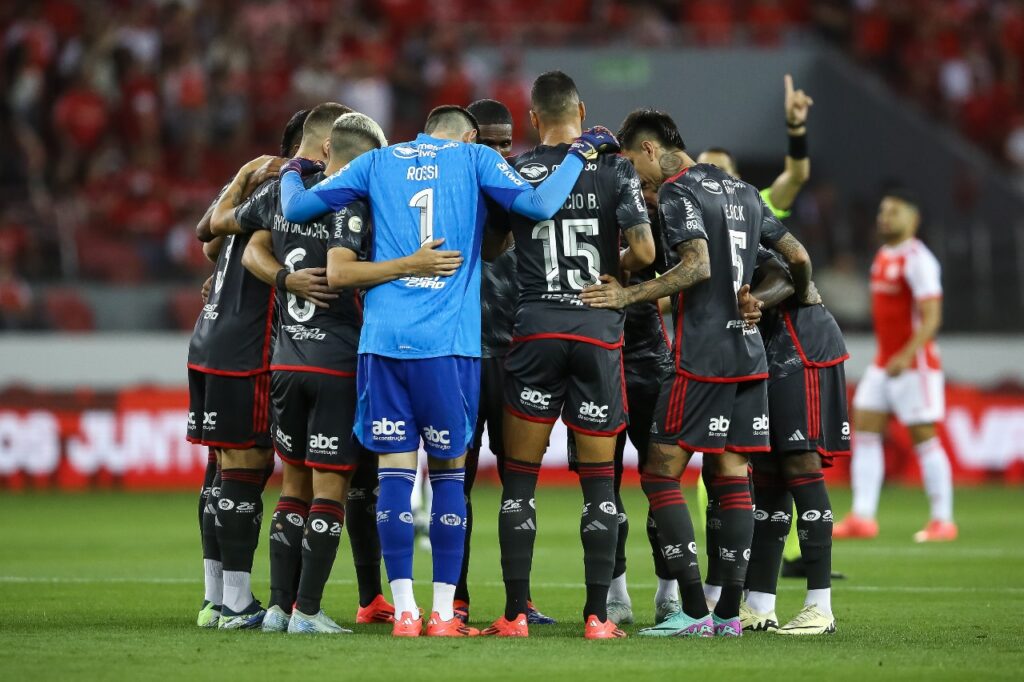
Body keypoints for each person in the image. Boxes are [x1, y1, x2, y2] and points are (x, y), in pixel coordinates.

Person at [278, 103, 618, 637]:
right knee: (447, 477)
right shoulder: (475, 158)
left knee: (394, 474)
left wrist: (292, 170)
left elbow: (296, 211)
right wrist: (579, 153)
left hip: (384, 342)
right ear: (470, 135)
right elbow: (539, 203)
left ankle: (405, 613)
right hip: (447, 347)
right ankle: (442, 615)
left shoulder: (378, 161)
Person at [581, 108, 814, 638]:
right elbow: (797, 257)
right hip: (749, 357)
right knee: (731, 475)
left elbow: (697, 266)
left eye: (638, 175)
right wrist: (770, 299)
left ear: (647, 150)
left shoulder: (682, 191)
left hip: (700, 356)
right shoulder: (744, 191)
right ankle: (728, 616)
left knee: (660, 472)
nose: (640, 187)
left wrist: (628, 293)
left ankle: (690, 608)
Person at [480, 71, 655, 640]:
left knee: (521, 482)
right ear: (582, 109)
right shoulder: (617, 169)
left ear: (533, 119)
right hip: (598, 330)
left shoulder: (516, 170)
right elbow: (647, 251)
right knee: (601, 483)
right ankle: (600, 618)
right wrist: (612, 262)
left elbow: (492, 247)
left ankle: (513, 616)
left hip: (534, 331)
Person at [235, 107, 415, 633]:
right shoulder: (358, 205)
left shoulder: (285, 192)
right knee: (330, 492)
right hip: (337, 363)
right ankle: (308, 613)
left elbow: (242, 240)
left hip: (287, 359)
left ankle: (276, 607)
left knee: (291, 488)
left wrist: (283, 278)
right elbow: (353, 272)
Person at [188, 108, 309, 630]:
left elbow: (209, 241)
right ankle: (236, 604)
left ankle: (215, 597)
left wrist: (238, 178)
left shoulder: (250, 181)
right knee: (246, 469)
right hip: (249, 344)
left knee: (220, 471)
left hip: (208, 338)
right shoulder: (291, 189)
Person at [452, 98, 556, 626]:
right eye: (487, 141)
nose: (498, 151)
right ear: (468, 141)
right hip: (464, 357)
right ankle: (458, 597)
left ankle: (522, 600)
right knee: (457, 481)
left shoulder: (527, 195)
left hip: (519, 357)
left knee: (520, 483)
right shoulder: (450, 193)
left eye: (504, 142)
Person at [834, 188, 956, 543]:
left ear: (913, 219)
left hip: (913, 364)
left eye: (894, 212)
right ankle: (863, 517)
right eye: (882, 211)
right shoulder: (884, 255)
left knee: (924, 437)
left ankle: (943, 520)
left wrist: (906, 354)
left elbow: (932, 319)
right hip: (884, 363)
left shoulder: (919, 259)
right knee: (866, 430)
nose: (884, 217)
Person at [740, 247, 846, 635]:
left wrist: (752, 302)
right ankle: (758, 606)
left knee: (801, 462)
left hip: (802, 347)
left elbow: (789, 270)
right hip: (769, 350)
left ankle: (820, 607)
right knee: (767, 474)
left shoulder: (747, 216)